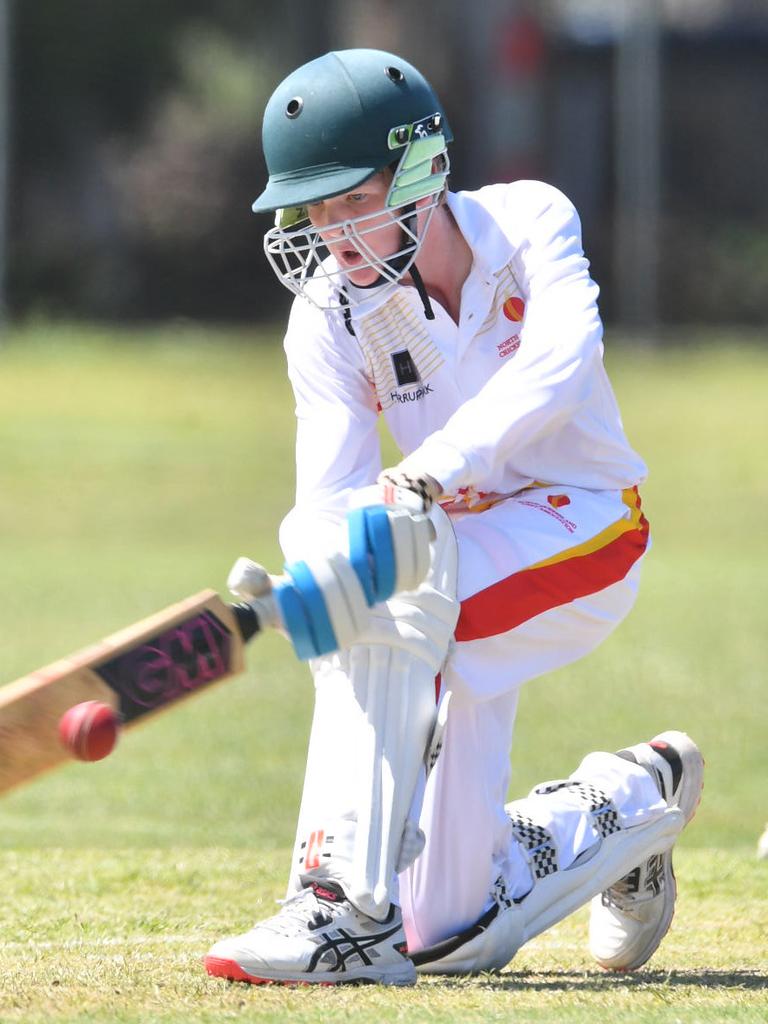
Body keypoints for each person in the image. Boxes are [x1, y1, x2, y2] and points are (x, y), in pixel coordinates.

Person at [204, 48, 703, 986]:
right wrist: (317, 572)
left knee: (400, 599)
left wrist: (426, 476)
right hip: (450, 555)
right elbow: (332, 497)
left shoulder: (528, 220)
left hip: (585, 524)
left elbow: (562, 359)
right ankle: (634, 798)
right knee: (452, 930)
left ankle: (338, 905)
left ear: (423, 167)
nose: (334, 234)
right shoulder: (327, 317)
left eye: (352, 200)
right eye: (314, 212)